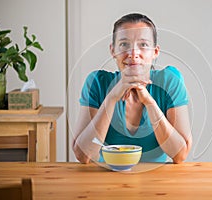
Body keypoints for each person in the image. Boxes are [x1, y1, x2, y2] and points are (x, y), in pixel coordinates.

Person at [73, 13, 192, 164]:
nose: (133, 53)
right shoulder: (97, 82)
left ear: (155, 52)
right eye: (124, 44)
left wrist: (149, 102)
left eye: (143, 45)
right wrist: (112, 97)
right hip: (108, 178)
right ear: (113, 50)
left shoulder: (169, 81)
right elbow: (83, 155)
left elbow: (180, 155)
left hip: (159, 181)